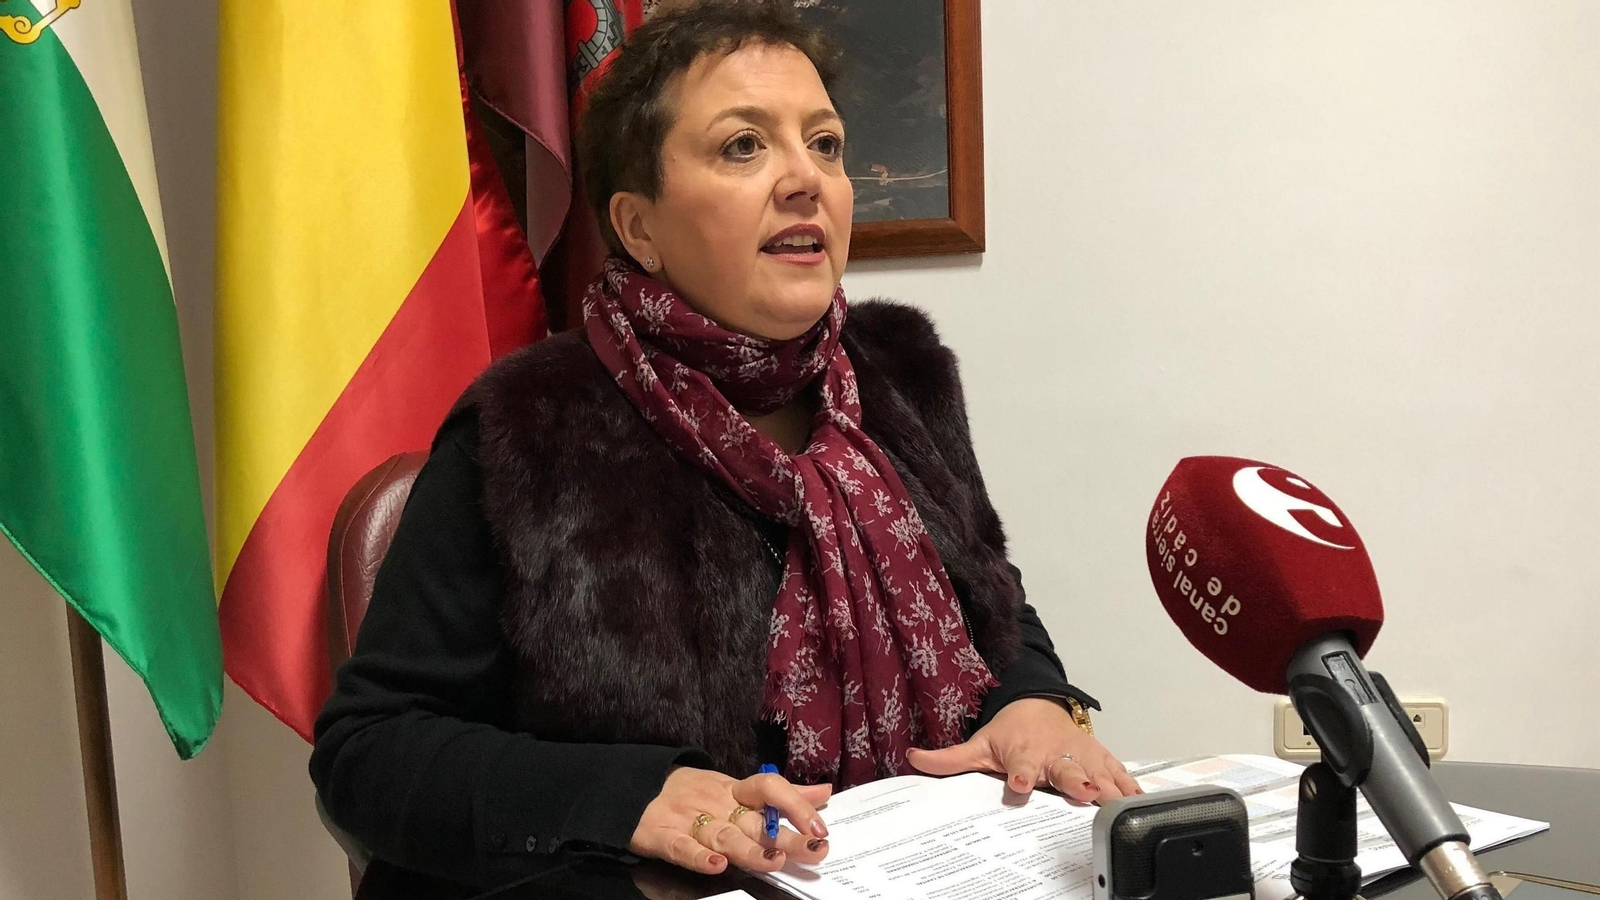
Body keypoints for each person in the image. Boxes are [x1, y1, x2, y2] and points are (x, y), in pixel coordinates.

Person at [311, 2, 1139, 896]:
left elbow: (992, 603)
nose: (805, 179)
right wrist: (629, 798)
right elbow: (370, 752)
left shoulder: (902, 374)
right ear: (639, 228)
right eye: (744, 146)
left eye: (825, 144)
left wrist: (1034, 700)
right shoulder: (528, 428)